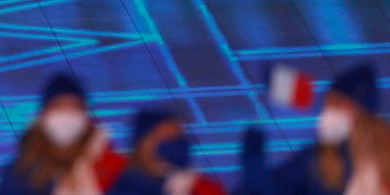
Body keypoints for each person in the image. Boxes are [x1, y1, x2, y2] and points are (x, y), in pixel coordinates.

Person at [237, 63, 378, 195]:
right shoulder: (320, 157)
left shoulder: (320, 161)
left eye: (336, 105)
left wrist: (258, 130)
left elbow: (266, 187)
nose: (327, 113)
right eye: (328, 104)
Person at [0, 73, 127, 194]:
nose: (66, 115)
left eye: (74, 107)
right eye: (58, 107)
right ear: (43, 116)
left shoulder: (113, 169)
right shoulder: (19, 173)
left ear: (86, 117)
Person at [107, 108, 224, 195]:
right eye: (167, 139)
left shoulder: (198, 185)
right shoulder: (112, 181)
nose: (175, 147)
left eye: (178, 139)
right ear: (143, 144)